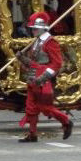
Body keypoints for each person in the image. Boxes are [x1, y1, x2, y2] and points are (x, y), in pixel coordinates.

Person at [15, 12, 73, 143]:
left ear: (42, 28)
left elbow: (57, 64)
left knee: (45, 107)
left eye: (35, 28)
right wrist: (22, 58)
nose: (33, 30)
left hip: (42, 79)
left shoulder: (50, 42)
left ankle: (66, 121)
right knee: (30, 107)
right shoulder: (36, 42)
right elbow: (33, 62)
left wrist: (43, 77)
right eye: (32, 28)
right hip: (32, 77)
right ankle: (32, 134)